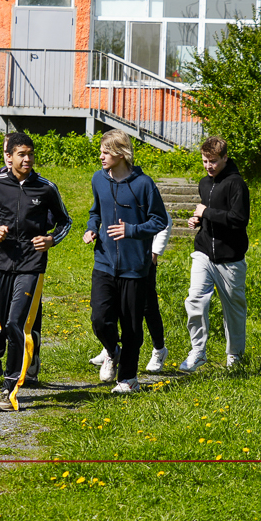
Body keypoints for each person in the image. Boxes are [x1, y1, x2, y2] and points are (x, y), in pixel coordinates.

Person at [0, 132, 72, 412]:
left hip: (32, 264)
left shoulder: (46, 188)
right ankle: (7, 361)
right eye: (22, 154)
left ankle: (9, 389)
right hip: (1, 262)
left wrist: (51, 239)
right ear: (9, 156)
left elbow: (65, 221)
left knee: (15, 323)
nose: (27, 159)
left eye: (30, 154)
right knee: (1, 320)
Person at [82, 130, 169, 394]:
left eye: (106, 152)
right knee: (99, 319)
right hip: (104, 262)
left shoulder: (144, 184)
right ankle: (112, 350)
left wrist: (131, 230)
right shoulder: (98, 179)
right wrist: (92, 228)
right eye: (101, 151)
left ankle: (128, 378)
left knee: (131, 326)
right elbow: (95, 211)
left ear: (121, 153)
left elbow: (159, 220)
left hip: (135, 267)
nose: (101, 157)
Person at [179, 136, 251, 371]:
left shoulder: (236, 184)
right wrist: (198, 220)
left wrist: (206, 213)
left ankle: (235, 355)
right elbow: (208, 213)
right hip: (203, 253)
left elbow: (239, 220)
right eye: (204, 161)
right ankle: (198, 351)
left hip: (230, 258)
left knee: (234, 310)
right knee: (195, 299)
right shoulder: (204, 183)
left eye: (213, 161)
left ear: (225, 158)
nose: (208, 166)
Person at [0, 158, 44, 386]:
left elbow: (51, 218)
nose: (10, 157)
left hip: (27, 259)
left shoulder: (39, 185)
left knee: (24, 312)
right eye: (7, 152)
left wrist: (44, 235)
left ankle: (29, 357)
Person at [89, 216, 171, 374]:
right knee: (112, 304)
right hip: (118, 260)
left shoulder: (147, 198)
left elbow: (164, 220)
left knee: (147, 306)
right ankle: (110, 349)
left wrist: (155, 253)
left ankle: (159, 349)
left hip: (142, 260)